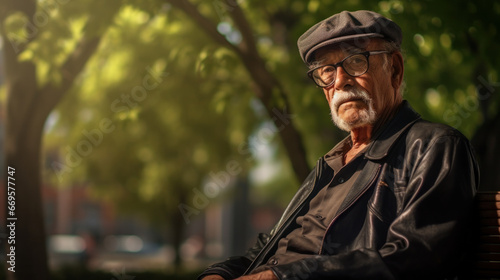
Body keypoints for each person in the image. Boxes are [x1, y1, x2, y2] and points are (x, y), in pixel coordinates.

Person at [199, 10, 479, 280]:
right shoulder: (331, 162)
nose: (341, 81)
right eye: (326, 71)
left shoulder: (434, 146)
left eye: (356, 61)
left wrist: (284, 276)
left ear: (394, 69)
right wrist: (221, 272)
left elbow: (416, 258)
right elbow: (270, 246)